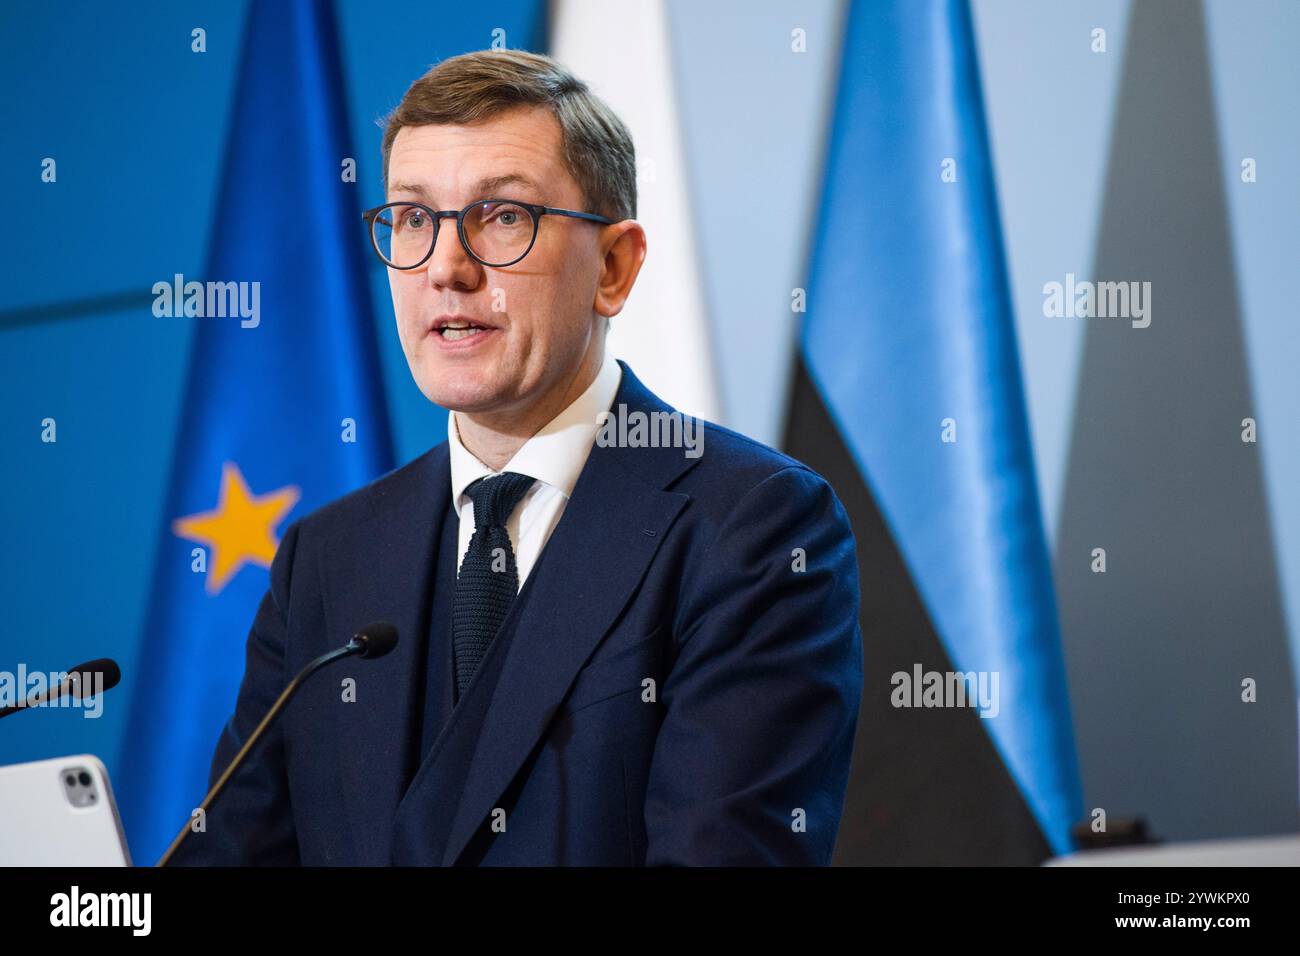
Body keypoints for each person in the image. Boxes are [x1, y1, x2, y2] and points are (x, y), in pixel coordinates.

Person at [172, 49, 863, 866]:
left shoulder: (752, 527)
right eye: (413, 219)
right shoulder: (327, 560)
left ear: (614, 266)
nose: (447, 269)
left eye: (503, 216)